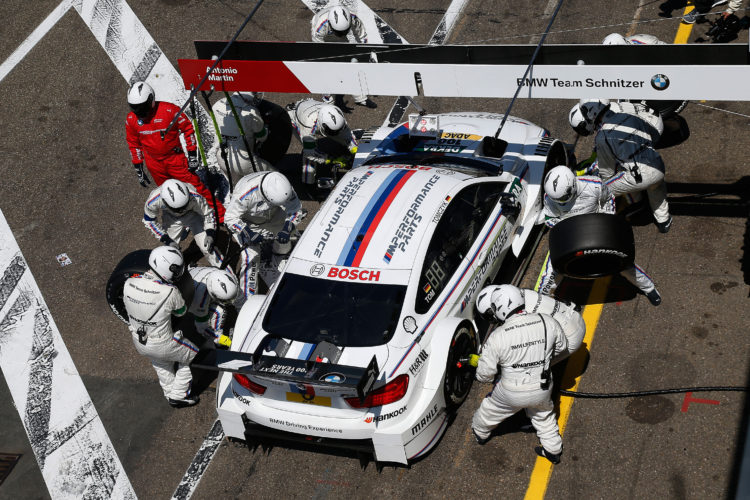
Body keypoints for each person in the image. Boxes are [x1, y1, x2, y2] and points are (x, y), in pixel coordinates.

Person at [537, 166, 663, 306]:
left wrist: (606, 221)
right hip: (570, 238)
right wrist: (562, 227)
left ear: (572, 185)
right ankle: (545, 303)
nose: (562, 202)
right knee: (550, 274)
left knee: (624, 262)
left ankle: (649, 287)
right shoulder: (550, 197)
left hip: (596, 232)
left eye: (564, 198)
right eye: (558, 199)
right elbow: (549, 217)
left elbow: (608, 198)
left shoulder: (594, 185)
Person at [470, 285, 567, 464]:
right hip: (543, 386)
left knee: (489, 410)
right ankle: (553, 450)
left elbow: (485, 375)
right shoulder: (546, 321)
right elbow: (561, 347)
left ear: (499, 309)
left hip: (510, 392)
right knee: (544, 415)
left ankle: (480, 433)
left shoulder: (498, 336)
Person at [125, 81, 225, 221]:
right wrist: (138, 167)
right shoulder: (131, 119)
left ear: (151, 100)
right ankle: (186, 219)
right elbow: (133, 143)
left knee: (196, 188)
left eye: (142, 107)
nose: (139, 112)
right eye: (135, 108)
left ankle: (221, 216)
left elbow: (188, 129)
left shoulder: (170, 111)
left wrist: (192, 155)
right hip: (153, 163)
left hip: (175, 160)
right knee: (168, 194)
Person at [572, 99, 673, 233]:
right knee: (656, 188)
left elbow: (606, 172)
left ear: (592, 113)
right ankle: (664, 222)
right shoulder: (631, 117)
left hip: (639, 176)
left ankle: (600, 225)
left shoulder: (602, 136)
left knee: (601, 188)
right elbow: (650, 137)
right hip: (658, 165)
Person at [123, 246, 199, 408]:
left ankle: (170, 394)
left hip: (139, 342)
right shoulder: (170, 291)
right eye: (176, 270)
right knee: (192, 356)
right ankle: (179, 395)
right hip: (163, 342)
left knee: (161, 365)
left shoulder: (128, 283)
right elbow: (181, 312)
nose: (178, 273)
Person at [224, 172, 306, 307]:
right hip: (248, 223)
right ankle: (247, 303)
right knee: (250, 259)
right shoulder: (245, 194)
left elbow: (295, 209)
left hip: (274, 216)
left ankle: (279, 253)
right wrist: (248, 233)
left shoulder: (284, 188)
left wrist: (286, 228)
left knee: (290, 238)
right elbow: (230, 218)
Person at [476, 284, 585, 365]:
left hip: (571, 338)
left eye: (490, 316)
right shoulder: (519, 293)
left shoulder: (519, 317)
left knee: (524, 367)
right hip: (575, 317)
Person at [142, 179, 224, 267]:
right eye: (178, 209)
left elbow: (208, 213)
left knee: (208, 247)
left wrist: (210, 232)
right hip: (171, 218)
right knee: (170, 252)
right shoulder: (153, 201)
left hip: (193, 214)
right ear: (165, 201)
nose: (181, 211)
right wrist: (166, 239)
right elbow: (149, 221)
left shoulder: (195, 196)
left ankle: (224, 269)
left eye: (184, 206)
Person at [310, 5, 375, 108]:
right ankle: (327, 99)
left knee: (352, 65)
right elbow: (319, 51)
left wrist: (364, 55)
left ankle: (360, 98)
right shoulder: (320, 28)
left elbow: (362, 36)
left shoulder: (353, 19)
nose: (342, 34)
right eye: (339, 32)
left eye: (345, 31)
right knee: (327, 70)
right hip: (325, 37)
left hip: (338, 36)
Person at [286, 99, 359, 187]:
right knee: (308, 156)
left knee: (345, 138)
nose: (336, 134)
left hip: (311, 108)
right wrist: (331, 160)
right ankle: (308, 183)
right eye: (333, 132)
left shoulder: (336, 112)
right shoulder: (308, 125)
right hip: (296, 118)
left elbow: (347, 135)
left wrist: (356, 151)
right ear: (323, 126)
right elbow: (310, 153)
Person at [208, 92, 274, 181]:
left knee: (236, 186)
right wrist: (265, 128)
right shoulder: (251, 111)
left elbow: (212, 129)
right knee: (274, 176)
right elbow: (262, 137)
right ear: (247, 98)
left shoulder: (217, 104)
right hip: (243, 161)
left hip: (220, 157)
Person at [188, 266, 239, 348]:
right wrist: (225, 341)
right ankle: (216, 345)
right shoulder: (200, 300)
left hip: (194, 273)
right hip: (192, 303)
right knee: (219, 311)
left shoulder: (221, 275)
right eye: (225, 301)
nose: (229, 303)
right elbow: (202, 328)